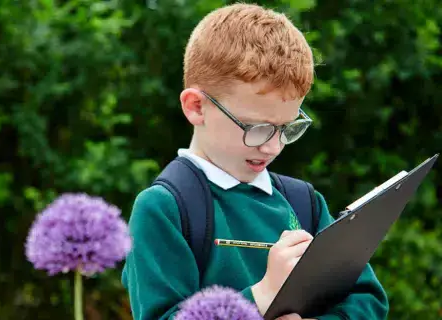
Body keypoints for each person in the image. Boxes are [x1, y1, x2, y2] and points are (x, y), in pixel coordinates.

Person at [122, 3, 389, 320]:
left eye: (287, 128)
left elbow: (368, 299)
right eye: (257, 128)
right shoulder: (165, 209)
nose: (274, 147)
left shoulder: (304, 204)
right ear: (196, 107)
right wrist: (261, 295)